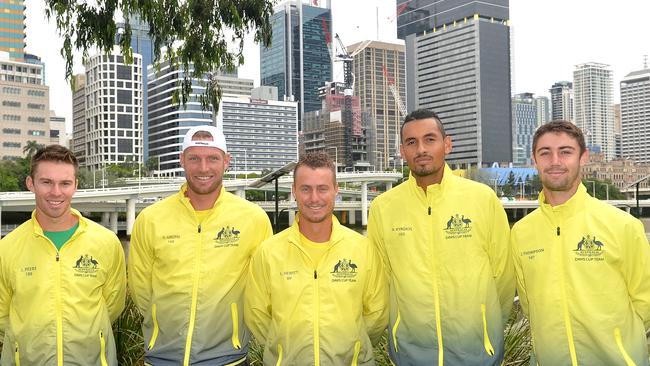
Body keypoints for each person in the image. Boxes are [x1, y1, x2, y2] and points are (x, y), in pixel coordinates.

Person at [368, 109, 514, 365]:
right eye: (411, 142)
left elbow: (503, 277)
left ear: (447, 144)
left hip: (478, 354)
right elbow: (381, 280)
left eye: (430, 139)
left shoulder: (482, 199)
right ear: (402, 151)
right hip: (410, 356)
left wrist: (486, 329)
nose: (421, 149)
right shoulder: (383, 207)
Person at [129, 125, 272, 366]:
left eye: (212, 159)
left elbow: (265, 288)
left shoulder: (253, 219)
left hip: (229, 359)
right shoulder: (151, 218)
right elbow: (141, 289)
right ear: (182, 160)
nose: (203, 168)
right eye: (194, 158)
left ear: (226, 161)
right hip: (162, 358)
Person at [510, 120, 650, 365]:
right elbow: (529, 303)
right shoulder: (521, 233)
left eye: (565, 152)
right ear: (534, 160)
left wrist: (619, 346)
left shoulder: (623, 225)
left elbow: (645, 301)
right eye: (545, 153)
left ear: (583, 157)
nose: (555, 161)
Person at [245, 152, 388, 365]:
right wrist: (286, 348)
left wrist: (352, 344)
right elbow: (256, 315)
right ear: (294, 191)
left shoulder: (362, 249)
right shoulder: (268, 252)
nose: (314, 198)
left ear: (335, 190)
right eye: (305, 189)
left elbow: (377, 313)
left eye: (322, 188)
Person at [0, 144, 126, 365]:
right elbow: (2, 315)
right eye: (46, 182)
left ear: (75, 185)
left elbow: (113, 305)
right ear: (31, 183)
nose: (56, 192)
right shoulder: (7, 247)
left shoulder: (106, 242)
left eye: (65, 183)